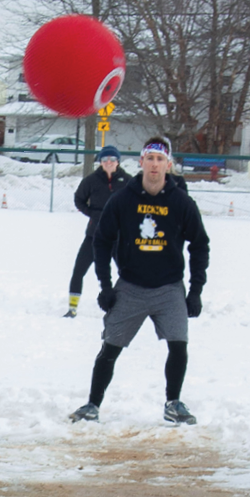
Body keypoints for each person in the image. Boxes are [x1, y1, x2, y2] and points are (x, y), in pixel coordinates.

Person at [69, 136, 209, 425]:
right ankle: (92, 404)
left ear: (168, 165)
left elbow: (199, 245)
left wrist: (195, 292)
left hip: (169, 287)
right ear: (141, 162)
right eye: (150, 159)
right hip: (131, 286)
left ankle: (173, 403)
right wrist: (105, 287)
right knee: (110, 348)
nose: (155, 165)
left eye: (160, 160)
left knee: (179, 344)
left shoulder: (182, 202)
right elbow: (102, 241)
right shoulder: (123, 199)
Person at [65, 145, 132, 317]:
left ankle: (129, 307)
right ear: (100, 162)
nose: (108, 163)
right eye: (104, 160)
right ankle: (72, 308)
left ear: (118, 162)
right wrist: (93, 214)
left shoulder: (128, 181)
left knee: (128, 273)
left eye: (112, 160)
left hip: (119, 237)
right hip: (95, 235)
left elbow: (137, 202)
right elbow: (79, 199)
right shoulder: (91, 180)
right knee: (79, 270)